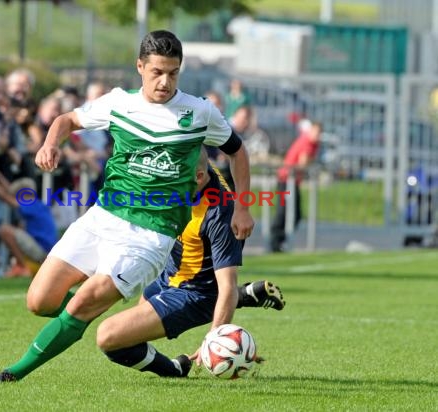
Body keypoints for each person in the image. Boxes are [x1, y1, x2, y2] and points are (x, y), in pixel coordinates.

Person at [0, 30, 254, 383]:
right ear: (140, 66)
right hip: (102, 218)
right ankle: (89, 312)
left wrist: (242, 207)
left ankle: (14, 373)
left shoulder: (200, 111)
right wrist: (50, 144)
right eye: (157, 71)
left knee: (82, 306)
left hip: (151, 235)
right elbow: (65, 120)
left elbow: (237, 151)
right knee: (39, 301)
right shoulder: (118, 103)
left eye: (173, 73)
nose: (165, 81)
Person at [97, 148, 285, 377]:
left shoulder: (220, 215)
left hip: (193, 294)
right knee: (131, 339)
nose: (168, 184)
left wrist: (212, 339)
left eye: (175, 178)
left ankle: (174, 369)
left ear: (198, 177)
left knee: (109, 336)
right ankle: (244, 295)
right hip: (170, 274)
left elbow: (225, 286)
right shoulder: (193, 168)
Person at [0, 164, 58, 277]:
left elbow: (3, 195)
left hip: (42, 251)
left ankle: (23, 267)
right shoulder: (38, 204)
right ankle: (21, 265)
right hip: (47, 251)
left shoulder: (30, 204)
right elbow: (9, 190)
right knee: (19, 227)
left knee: (4, 230)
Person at [270, 119, 321, 252]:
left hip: (293, 181)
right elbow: (303, 163)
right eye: (315, 132)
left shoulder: (312, 143)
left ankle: (280, 241)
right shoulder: (307, 142)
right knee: (284, 212)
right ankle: (275, 242)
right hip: (286, 179)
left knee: (295, 214)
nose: (317, 135)